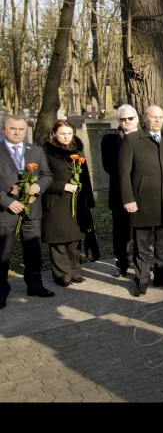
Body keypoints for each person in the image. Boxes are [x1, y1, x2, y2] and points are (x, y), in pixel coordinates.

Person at [118, 105, 163, 297]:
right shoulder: (132, 140)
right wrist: (128, 199)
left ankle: (162, 276)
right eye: (153, 117)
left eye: (160, 117)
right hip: (142, 202)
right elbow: (123, 174)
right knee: (141, 244)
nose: (157, 120)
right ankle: (141, 279)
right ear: (144, 118)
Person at [0, 115, 54, 308]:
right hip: (6, 211)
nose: (17, 132)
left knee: (33, 250)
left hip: (32, 209)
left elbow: (47, 175)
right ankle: (1, 291)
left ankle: (35, 285)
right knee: (3, 253)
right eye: (13, 129)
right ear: (4, 129)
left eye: (21, 129)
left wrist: (37, 187)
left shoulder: (36, 151)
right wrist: (6, 202)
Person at [41, 121, 95, 286]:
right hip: (57, 201)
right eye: (62, 133)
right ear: (54, 134)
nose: (66, 137)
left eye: (69, 133)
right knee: (59, 240)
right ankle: (62, 275)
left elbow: (85, 178)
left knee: (74, 239)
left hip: (77, 201)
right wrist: (61, 186)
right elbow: (41, 178)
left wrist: (89, 201)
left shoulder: (78, 151)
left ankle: (74, 271)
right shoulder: (46, 153)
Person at [101, 104, 140, 276]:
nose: (127, 122)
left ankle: (142, 263)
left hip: (143, 191)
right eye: (123, 119)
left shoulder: (145, 137)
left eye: (130, 118)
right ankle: (122, 262)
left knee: (141, 230)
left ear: (137, 119)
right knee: (121, 231)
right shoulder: (110, 139)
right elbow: (109, 166)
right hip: (120, 192)